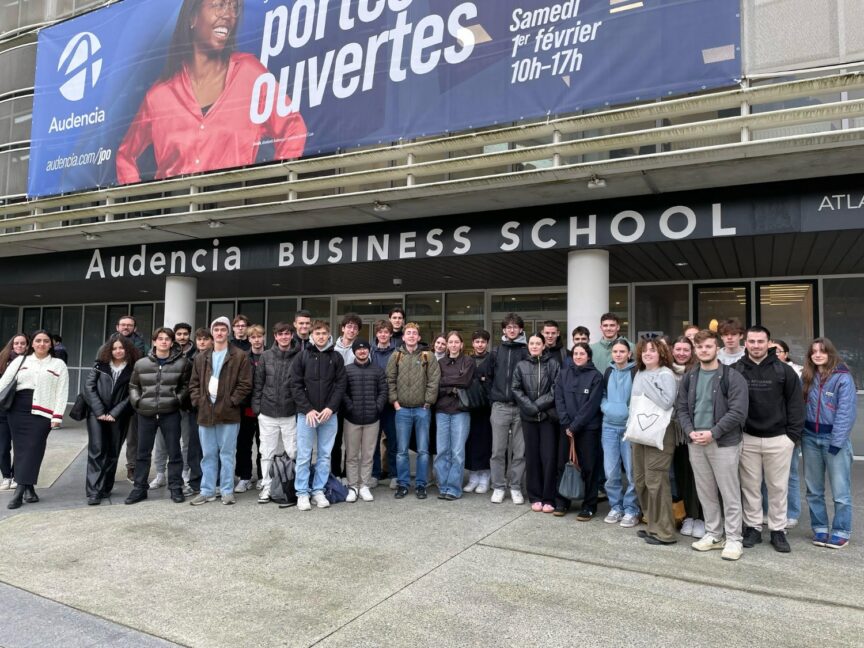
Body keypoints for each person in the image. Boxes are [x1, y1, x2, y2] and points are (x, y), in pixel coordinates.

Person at [116, 0, 306, 183]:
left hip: (233, 207)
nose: (229, 14)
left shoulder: (250, 74)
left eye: (234, 7)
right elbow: (125, 155)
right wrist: (141, 199)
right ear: (192, 18)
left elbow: (293, 127)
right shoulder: (158, 96)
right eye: (219, 5)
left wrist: (277, 183)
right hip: (176, 211)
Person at [676, 329, 749, 561]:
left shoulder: (732, 376)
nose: (704, 350)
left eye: (708, 346)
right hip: (695, 442)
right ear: (695, 351)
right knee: (705, 492)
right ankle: (714, 533)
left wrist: (713, 432)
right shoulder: (691, 376)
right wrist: (690, 431)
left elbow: (738, 411)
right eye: (699, 347)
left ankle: (735, 538)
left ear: (716, 348)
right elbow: (682, 408)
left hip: (723, 443)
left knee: (729, 493)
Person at [732, 325, 804, 553]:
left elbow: (796, 405)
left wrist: (791, 437)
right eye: (751, 342)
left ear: (768, 343)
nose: (755, 346)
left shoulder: (784, 371)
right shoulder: (736, 370)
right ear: (746, 344)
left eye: (760, 342)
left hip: (779, 439)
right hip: (747, 438)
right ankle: (753, 527)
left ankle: (777, 531)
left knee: (777, 487)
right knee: (750, 487)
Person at [0, 331, 68, 509]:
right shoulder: (21, 360)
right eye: (38, 341)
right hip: (18, 410)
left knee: (34, 448)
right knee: (22, 450)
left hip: (43, 412)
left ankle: (19, 491)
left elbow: (62, 391)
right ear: (32, 344)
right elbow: (3, 382)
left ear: (51, 345)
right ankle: (29, 489)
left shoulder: (58, 364)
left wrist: (58, 416)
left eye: (46, 341)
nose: (42, 344)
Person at [188, 317, 252, 506]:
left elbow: (245, 384)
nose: (220, 333)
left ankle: (226, 490)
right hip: (205, 412)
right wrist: (198, 401)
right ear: (212, 332)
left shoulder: (239, 355)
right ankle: (207, 490)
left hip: (229, 413)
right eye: (216, 330)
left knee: (227, 454)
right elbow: (193, 384)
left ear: (228, 332)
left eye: (223, 329)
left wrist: (232, 401)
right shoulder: (201, 357)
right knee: (208, 454)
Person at [802, 338, 857, 549]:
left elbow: (846, 412)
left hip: (834, 441)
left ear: (830, 353)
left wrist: (836, 442)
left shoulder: (842, 378)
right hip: (809, 438)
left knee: (840, 491)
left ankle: (842, 530)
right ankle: (820, 528)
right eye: (814, 351)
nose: (817, 355)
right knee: (814, 490)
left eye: (822, 351)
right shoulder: (807, 377)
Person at [125, 327, 191, 505]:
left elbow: (186, 386)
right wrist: (138, 402)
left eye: (167, 339)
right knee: (142, 453)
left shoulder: (183, 363)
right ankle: (139, 488)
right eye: (160, 338)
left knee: (174, 452)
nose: (163, 341)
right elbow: (133, 386)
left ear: (171, 342)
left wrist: (176, 400)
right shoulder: (141, 363)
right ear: (154, 342)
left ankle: (175, 487)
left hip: (170, 413)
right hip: (145, 413)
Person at [290, 320, 346, 511]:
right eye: (317, 333)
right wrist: (307, 409)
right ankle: (302, 493)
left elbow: (340, 386)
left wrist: (331, 408)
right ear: (311, 336)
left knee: (324, 455)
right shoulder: (302, 357)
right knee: (304, 455)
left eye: (324, 333)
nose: (321, 336)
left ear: (329, 335)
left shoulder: (336, 357)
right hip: (307, 415)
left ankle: (318, 490)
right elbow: (295, 386)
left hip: (329, 415)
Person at [630, 337, 678, 544]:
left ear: (661, 353)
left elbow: (667, 403)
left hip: (659, 433)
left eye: (652, 350)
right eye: (644, 351)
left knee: (656, 482)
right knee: (641, 480)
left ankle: (665, 533)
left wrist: (649, 384)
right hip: (639, 432)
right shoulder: (640, 372)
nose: (647, 354)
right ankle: (652, 525)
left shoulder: (666, 374)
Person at [386, 322, 440, 500]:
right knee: (402, 451)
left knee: (423, 450)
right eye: (408, 333)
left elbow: (434, 380)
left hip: (422, 410)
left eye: (414, 333)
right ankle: (402, 484)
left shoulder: (428, 356)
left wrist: (428, 402)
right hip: (401, 410)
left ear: (418, 337)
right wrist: (395, 403)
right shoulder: (396, 356)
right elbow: (390, 380)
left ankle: (421, 485)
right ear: (403, 337)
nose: (410, 336)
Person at [83, 337, 140, 505]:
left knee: (113, 452)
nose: (118, 351)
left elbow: (133, 393)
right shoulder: (99, 366)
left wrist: (114, 412)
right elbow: (89, 388)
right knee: (97, 450)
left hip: (119, 415)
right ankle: (94, 491)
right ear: (109, 350)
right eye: (114, 348)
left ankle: (105, 487)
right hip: (96, 414)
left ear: (127, 350)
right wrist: (100, 411)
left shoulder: (133, 370)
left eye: (121, 348)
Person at [553, 343, 603, 519]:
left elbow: (592, 405)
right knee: (562, 465)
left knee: (589, 467)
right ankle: (562, 502)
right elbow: (558, 399)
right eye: (575, 353)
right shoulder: (563, 373)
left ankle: (589, 505)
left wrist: (575, 426)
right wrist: (567, 424)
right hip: (566, 428)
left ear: (588, 356)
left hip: (587, 429)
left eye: (582, 353)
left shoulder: (596, 376)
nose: (578, 356)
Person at [252, 322, 300, 504]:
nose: (284, 337)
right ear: (275, 336)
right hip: (267, 412)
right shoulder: (266, 356)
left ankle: (291, 487)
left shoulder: (299, 356)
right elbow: (258, 384)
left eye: (287, 334)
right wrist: (257, 409)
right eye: (281, 334)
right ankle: (266, 486)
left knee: (293, 451)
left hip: (290, 412)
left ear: (291, 336)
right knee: (267, 452)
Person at [485, 314, 530, 505]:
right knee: (498, 450)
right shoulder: (496, 351)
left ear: (521, 329)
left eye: (515, 327)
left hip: (520, 408)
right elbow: (486, 377)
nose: (512, 330)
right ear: (503, 330)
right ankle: (498, 486)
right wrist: (493, 398)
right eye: (508, 327)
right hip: (500, 407)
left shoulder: (527, 350)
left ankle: (516, 487)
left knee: (520, 451)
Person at [512, 334, 559, 512]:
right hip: (528, 418)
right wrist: (530, 408)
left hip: (547, 417)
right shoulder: (521, 365)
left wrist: (537, 406)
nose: (534, 346)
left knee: (548, 457)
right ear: (528, 346)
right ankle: (535, 496)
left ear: (543, 345)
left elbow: (556, 388)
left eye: (538, 343)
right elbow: (516, 388)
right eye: (531, 343)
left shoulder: (553, 364)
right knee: (531, 457)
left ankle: (549, 497)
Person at [150, 321, 197, 491]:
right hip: (165, 406)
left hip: (185, 405)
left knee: (186, 441)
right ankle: (160, 473)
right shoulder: (168, 353)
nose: (182, 337)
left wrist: (180, 398)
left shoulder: (196, 352)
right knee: (161, 441)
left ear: (189, 335)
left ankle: (184, 471)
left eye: (185, 334)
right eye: (179, 334)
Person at [599, 338, 640, 528]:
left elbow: (639, 398)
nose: (618, 354)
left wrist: (626, 411)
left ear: (629, 354)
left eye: (622, 351)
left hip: (628, 428)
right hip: (608, 426)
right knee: (611, 471)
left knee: (632, 471)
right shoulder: (608, 371)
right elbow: (603, 395)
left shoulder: (635, 372)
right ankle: (616, 506)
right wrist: (606, 407)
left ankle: (631, 509)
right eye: (615, 351)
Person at [342, 339, 387, 502]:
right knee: (352, 455)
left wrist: (377, 407)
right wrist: (350, 407)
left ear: (369, 351)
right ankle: (353, 486)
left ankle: (365, 486)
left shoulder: (377, 370)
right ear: (354, 352)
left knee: (368, 455)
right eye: (359, 350)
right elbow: (342, 392)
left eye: (365, 349)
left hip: (372, 419)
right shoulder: (346, 370)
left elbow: (383, 391)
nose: (362, 352)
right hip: (352, 419)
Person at [670, 335, 705, 538]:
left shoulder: (698, 371)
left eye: (686, 349)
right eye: (678, 349)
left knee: (697, 476)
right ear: (672, 350)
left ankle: (699, 517)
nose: (682, 353)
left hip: (692, 430)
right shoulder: (665, 371)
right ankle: (686, 516)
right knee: (680, 476)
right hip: (672, 433)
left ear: (691, 352)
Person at [434, 332, 475, 500]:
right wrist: (453, 385)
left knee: (457, 451)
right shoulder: (440, 363)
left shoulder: (468, 361)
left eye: (456, 342)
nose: (452, 345)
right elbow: (437, 383)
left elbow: (465, 381)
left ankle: (453, 488)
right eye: (450, 342)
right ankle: (443, 485)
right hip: (442, 410)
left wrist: (447, 382)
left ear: (461, 344)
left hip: (460, 411)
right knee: (442, 450)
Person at [768, 338, 804, 528]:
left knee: (789, 475)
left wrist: (793, 436)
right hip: (767, 435)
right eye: (770, 350)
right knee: (767, 478)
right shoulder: (764, 371)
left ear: (786, 354)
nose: (774, 353)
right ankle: (769, 512)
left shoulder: (793, 373)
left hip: (786, 435)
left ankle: (791, 513)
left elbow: (797, 407)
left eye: (778, 350)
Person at [112, 314, 146, 483]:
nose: (126, 327)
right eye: (123, 325)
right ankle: (108, 468)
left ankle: (132, 467)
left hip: (133, 395)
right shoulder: (107, 345)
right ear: (117, 327)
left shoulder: (141, 346)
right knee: (111, 436)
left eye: (129, 325)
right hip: (113, 397)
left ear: (134, 328)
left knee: (133, 436)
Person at [235, 323, 264, 492]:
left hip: (264, 408)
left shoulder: (269, 356)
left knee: (264, 445)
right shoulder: (243, 357)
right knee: (243, 444)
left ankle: (261, 476)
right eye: (253, 337)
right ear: (248, 339)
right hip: (245, 409)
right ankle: (245, 477)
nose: (257, 340)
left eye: (259, 336)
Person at [463, 330, 492, 494]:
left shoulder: (492, 358)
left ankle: (485, 477)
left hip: (487, 407)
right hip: (471, 406)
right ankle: (473, 477)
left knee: (486, 442)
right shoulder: (468, 360)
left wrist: (482, 379)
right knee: (471, 442)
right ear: (472, 343)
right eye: (477, 341)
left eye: (483, 341)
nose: (480, 344)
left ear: (487, 343)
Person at [370, 319, 397, 484]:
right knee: (373, 441)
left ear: (391, 334)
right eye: (380, 332)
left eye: (386, 332)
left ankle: (394, 474)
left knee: (394, 440)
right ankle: (374, 474)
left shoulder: (397, 352)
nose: (383, 334)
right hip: (374, 403)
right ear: (377, 334)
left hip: (392, 403)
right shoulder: (370, 351)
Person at [0, 333, 28, 490]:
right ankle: (6, 476)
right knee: (3, 446)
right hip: (3, 409)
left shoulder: (31, 361)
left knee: (20, 445)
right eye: (16, 343)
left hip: (21, 409)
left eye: (22, 343)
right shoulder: (2, 360)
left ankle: (17, 475)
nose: (19, 346)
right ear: (11, 345)